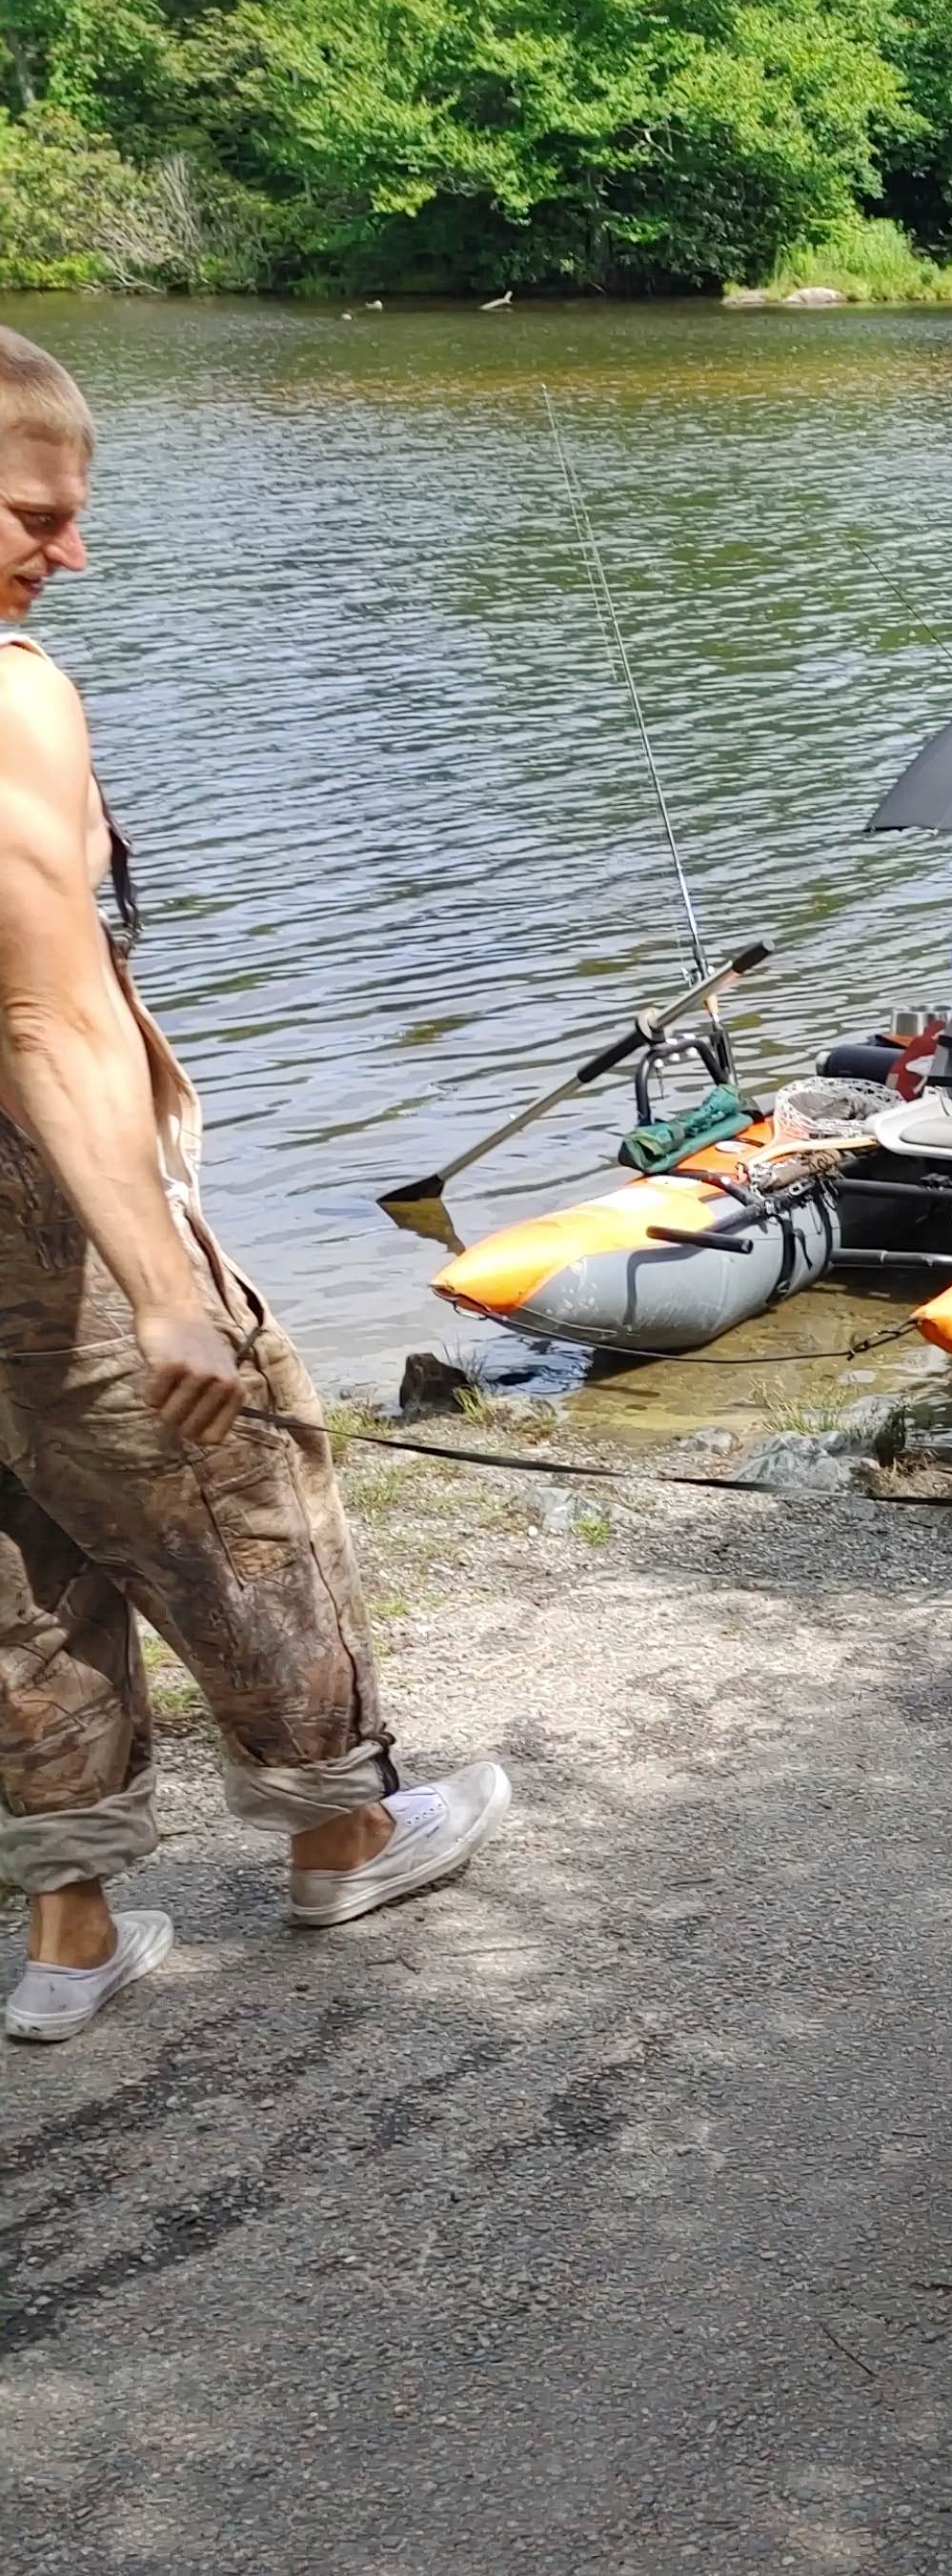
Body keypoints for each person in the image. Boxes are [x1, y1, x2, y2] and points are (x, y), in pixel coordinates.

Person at [0, 322, 508, 2043]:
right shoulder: (8, 692)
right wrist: (159, 1281)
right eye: (31, 513)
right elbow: (42, 1012)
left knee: (17, 1561)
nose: (70, 553)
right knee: (237, 1498)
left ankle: (71, 1932)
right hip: (41, 1219)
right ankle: (348, 1836)